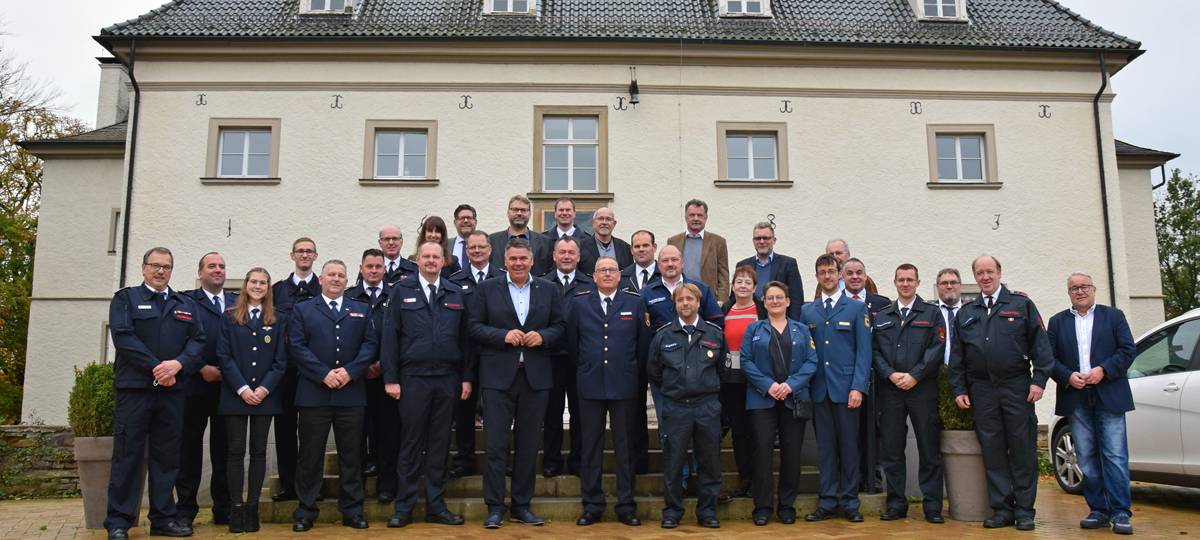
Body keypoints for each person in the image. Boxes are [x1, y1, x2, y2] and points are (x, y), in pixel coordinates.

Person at [104, 247, 206, 540]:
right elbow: (124, 338)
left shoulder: (184, 303)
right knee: (128, 455)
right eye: (155, 266)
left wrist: (178, 365)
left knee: (167, 458)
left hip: (172, 393)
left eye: (166, 267)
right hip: (135, 391)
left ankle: (163, 518)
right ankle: (119, 521)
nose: (161, 271)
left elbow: (198, 341)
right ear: (143, 268)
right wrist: (158, 368)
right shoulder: (126, 299)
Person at [949, 255, 1054, 531]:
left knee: (1022, 449)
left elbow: (1041, 348)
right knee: (992, 451)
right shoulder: (966, 313)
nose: (985, 277)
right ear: (975, 277)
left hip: (1016, 387)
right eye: (980, 273)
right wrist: (959, 388)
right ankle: (1002, 509)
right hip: (982, 390)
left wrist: (1039, 381)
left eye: (989, 272)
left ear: (999, 273)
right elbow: (958, 356)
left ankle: (1024, 510)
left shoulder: (1021, 305)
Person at [468, 238, 566, 529]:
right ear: (505, 261)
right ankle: (495, 507)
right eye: (513, 259)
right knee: (496, 445)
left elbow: (561, 326)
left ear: (532, 261)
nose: (519, 263)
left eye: (524, 259)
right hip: (498, 378)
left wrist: (544, 336)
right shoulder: (487, 289)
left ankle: (521, 505)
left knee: (528, 446)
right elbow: (473, 326)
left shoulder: (548, 290)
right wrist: (502, 336)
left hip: (535, 378)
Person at [380, 242, 473, 527]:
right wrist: (391, 378)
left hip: (447, 379)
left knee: (439, 445)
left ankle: (436, 505)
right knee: (410, 443)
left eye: (436, 256)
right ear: (417, 260)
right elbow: (389, 338)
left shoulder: (455, 292)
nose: (431, 261)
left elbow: (466, 341)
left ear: (444, 260)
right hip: (412, 380)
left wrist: (467, 377)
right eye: (426, 256)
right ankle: (404, 507)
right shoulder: (401, 291)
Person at [288, 260, 378, 532]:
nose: (336, 279)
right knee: (310, 455)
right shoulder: (303, 309)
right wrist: (323, 374)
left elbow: (370, 344)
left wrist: (350, 372)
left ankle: (352, 509)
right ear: (321, 279)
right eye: (331, 275)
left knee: (352, 456)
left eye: (341, 275)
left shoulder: (361, 309)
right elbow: (297, 346)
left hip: (351, 394)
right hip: (314, 394)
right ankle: (306, 509)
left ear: (346, 279)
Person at [1047, 272, 1137, 535]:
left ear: (1094, 289)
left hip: (1109, 393)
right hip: (1076, 398)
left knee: (1115, 456)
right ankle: (1098, 510)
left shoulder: (1114, 316)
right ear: (1069, 294)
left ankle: (1121, 513)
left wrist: (1104, 370)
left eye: (1084, 286)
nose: (1080, 291)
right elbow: (1049, 359)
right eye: (1074, 288)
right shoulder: (1057, 322)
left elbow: (1127, 350)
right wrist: (1066, 376)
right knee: (1085, 457)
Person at [565, 256, 649, 527]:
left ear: (619, 275)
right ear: (594, 275)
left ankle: (626, 505)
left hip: (624, 384)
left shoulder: (634, 303)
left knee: (625, 449)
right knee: (590, 448)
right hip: (590, 384)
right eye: (603, 270)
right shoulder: (579, 303)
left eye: (613, 270)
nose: (608, 274)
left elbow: (642, 346)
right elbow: (573, 344)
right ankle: (592, 505)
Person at [871, 264, 946, 523]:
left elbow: (937, 348)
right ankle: (896, 504)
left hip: (922, 389)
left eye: (909, 280)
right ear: (894, 282)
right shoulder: (882, 315)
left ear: (917, 282)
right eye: (901, 280)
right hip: (890, 390)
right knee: (891, 449)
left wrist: (915, 375)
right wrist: (891, 374)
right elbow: (875, 352)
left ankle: (932, 506)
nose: (905, 284)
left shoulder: (932, 313)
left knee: (929, 448)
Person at [647, 283, 726, 529]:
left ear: (698, 303)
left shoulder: (714, 334)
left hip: (706, 407)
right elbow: (654, 371)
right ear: (675, 304)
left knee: (709, 462)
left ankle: (708, 512)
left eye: (690, 299)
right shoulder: (663, 335)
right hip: (676, 407)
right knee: (673, 462)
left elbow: (721, 370)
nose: (685, 303)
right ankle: (672, 511)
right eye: (680, 300)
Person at [740, 281, 819, 526]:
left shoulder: (801, 330)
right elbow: (745, 361)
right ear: (764, 302)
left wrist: (791, 384)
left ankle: (786, 505)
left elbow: (812, 361)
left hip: (792, 399)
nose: (775, 301)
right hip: (762, 400)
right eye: (770, 298)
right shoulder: (753, 329)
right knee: (762, 452)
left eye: (779, 297)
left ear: (788, 301)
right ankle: (762, 507)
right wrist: (768, 385)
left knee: (791, 453)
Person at [217, 267, 288, 534]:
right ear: (245, 285)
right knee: (236, 452)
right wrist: (243, 388)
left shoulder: (278, 319)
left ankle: (253, 508)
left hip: (265, 397)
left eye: (263, 283)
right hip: (236, 395)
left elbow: (281, 361)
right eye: (253, 282)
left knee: (258, 452)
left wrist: (264, 389)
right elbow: (224, 357)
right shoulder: (229, 318)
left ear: (268, 288)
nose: (258, 286)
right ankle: (236, 508)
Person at [801, 254, 871, 523]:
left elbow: (864, 354)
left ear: (840, 274)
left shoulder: (855, 309)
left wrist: (858, 387)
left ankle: (851, 502)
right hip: (820, 390)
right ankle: (828, 500)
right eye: (822, 272)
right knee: (826, 449)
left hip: (847, 390)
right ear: (817, 276)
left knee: (850, 447)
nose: (828, 276)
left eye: (832, 271)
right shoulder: (808, 311)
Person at [177, 252, 236, 528]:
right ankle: (186, 510)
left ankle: (222, 508)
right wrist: (200, 367)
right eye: (212, 266)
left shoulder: (237, 302)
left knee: (224, 450)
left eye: (222, 267)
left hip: (227, 388)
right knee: (189, 450)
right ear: (199, 272)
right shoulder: (187, 301)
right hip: (194, 385)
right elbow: (181, 339)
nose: (218, 270)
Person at [447, 229, 505, 478]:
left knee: (499, 412)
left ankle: (502, 459)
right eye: (472, 248)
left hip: (496, 353)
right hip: (465, 354)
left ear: (491, 250)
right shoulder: (455, 281)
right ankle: (464, 458)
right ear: (466, 251)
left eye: (482, 247)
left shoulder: (503, 278)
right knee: (464, 410)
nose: (478, 251)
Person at [270, 237, 322, 502]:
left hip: (314, 372)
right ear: (292, 256)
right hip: (286, 371)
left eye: (309, 251)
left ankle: (312, 485)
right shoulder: (277, 291)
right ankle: (289, 485)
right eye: (300, 251)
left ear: (315, 255)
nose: (304, 255)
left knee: (314, 431)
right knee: (286, 429)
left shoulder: (323, 287)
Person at [343, 249, 397, 502]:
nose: (374, 270)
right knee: (355, 437)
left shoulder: (395, 295)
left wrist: (384, 365)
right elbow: (343, 340)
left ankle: (386, 486)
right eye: (370, 266)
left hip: (387, 376)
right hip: (356, 378)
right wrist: (361, 366)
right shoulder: (349, 297)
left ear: (385, 269)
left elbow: (400, 335)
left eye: (378, 266)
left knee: (388, 434)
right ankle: (356, 489)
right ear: (361, 268)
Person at [540, 236, 593, 477]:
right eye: (562, 252)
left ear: (579, 257)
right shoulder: (541, 284)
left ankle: (579, 460)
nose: (567, 256)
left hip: (580, 358)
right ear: (554, 256)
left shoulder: (589, 284)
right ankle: (551, 460)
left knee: (580, 413)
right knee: (551, 412)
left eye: (571, 252)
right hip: (549, 358)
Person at [841, 256, 889, 492]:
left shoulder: (882, 304)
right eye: (849, 273)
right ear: (842, 277)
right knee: (852, 429)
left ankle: (874, 474)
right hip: (847, 377)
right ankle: (854, 475)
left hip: (878, 377)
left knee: (876, 427)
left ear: (866, 274)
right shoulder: (836, 304)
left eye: (859, 272)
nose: (855, 276)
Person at [719, 266, 764, 502]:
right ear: (733, 286)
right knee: (739, 432)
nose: (743, 285)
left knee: (758, 431)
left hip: (756, 380)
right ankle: (744, 478)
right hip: (731, 381)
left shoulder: (762, 310)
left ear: (755, 287)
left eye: (748, 282)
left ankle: (759, 480)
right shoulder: (724, 310)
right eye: (739, 281)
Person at [734, 222, 804, 318]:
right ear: (753, 241)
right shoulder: (743, 265)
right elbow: (734, 298)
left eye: (766, 238)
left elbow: (797, 300)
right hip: (749, 320)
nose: (762, 242)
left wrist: (793, 327)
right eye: (758, 238)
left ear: (774, 240)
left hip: (779, 322)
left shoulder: (788, 264)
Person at [667, 199, 730, 302]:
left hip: (708, 299)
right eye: (692, 215)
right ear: (686, 217)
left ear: (706, 218)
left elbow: (723, 275)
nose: (696, 219)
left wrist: (722, 301)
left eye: (700, 215)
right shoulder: (673, 241)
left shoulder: (718, 242)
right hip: (680, 298)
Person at [488, 195, 554, 276]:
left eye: (523, 210)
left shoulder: (545, 242)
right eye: (515, 210)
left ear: (530, 213)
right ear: (508, 213)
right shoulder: (492, 241)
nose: (519, 213)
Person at [579, 207, 633, 274]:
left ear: (614, 224)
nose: (604, 222)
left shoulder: (626, 249)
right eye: (600, 218)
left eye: (608, 219)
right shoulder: (580, 247)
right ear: (593, 223)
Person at [935, 268, 964, 366]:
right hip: (935, 372)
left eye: (953, 282)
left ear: (960, 286)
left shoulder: (970, 311)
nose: (949, 286)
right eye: (944, 283)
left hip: (965, 371)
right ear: (937, 287)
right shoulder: (929, 312)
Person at [621, 229, 660, 294]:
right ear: (632, 250)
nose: (641, 249)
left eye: (645, 245)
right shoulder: (622, 277)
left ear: (654, 247)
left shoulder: (665, 274)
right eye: (637, 246)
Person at [449, 204, 478, 269]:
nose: (466, 221)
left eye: (469, 218)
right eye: (462, 218)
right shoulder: (446, 245)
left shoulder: (486, 244)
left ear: (475, 222)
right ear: (455, 223)